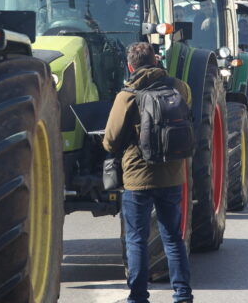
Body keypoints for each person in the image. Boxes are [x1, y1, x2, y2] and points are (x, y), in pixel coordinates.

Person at [102, 42, 193, 303]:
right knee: (173, 237)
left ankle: (138, 297)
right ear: (156, 60)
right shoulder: (179, 87)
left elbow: (111, 140)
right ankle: (183, 295)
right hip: (173, 175)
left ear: (130, 65)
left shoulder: (128, 95)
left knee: (137, 239)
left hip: (137, 179)